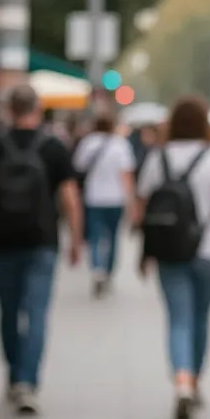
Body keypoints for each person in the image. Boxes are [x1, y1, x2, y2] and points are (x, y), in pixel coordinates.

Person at [0, 84, 83, 415]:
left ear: (9, 110)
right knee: (36, 313)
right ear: (38, 108)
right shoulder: (53, 148)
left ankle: (14, 371)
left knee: (8, 311)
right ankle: (27, 382)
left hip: (2, 242)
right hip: (42, 242)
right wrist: (76, 239)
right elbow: (70, 198)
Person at [130, 96, 210, 419]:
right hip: (208, 251)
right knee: (200, 318)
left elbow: (143, 209)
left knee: (178, 318)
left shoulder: (158, 158)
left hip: (168, 252)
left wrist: (144, 252)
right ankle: (194, 380)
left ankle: (180, 380)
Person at [72, 113, 136, 296]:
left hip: (94, 197)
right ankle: (108, 271)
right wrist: (131, 201)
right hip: (116, 198)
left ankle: (97, 268)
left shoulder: (88, 143)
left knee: (95, 235)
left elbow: (78, 167)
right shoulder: (120, 144)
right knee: (113, 236)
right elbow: (127, 175)